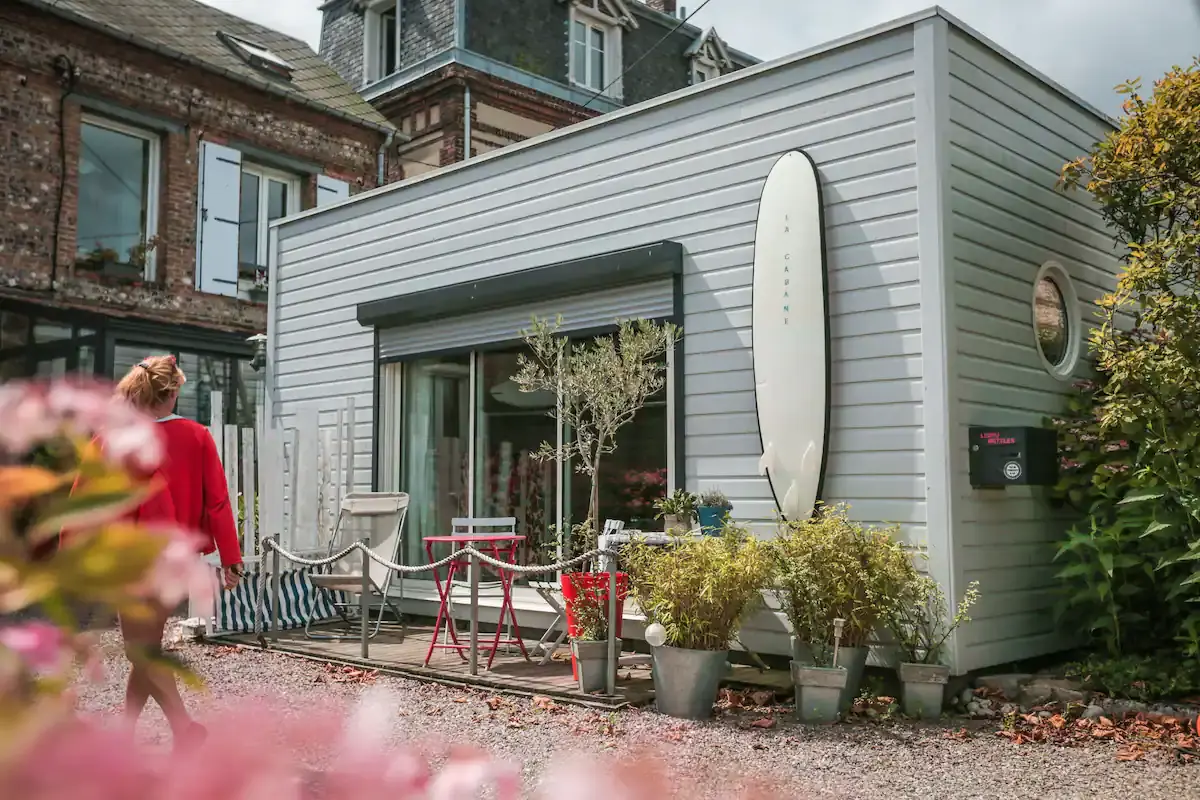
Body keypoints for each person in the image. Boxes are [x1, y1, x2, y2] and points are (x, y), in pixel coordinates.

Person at [97, 355, 244, 746]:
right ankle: (147, 732)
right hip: (174, 562)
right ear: (173, 392)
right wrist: (231, 559)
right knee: (144, 649)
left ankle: (174, 730)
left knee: (140, 650)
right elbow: (218, 502)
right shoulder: (196, 437)